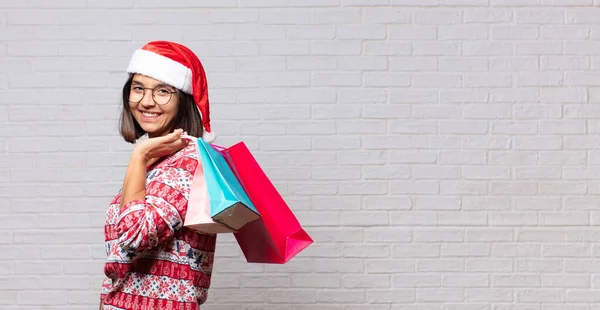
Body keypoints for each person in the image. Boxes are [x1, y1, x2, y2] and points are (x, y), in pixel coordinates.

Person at [100, 40, 218, 310]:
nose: (146, 101)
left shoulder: (189, 162)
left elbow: (133, 236)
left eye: (163, 91)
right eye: (138, 88)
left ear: (183, 100)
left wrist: (138, 156)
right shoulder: (158, 161)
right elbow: (121, 260)